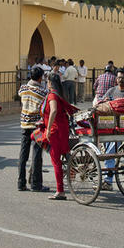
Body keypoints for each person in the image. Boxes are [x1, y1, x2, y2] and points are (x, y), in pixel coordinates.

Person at [43, 73, 78, 201]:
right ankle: (71, 168)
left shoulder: (52, 95)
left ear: (50, 83)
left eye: (47, 82)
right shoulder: (60, 95)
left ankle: (60, 191)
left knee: (56, 161)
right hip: (62, 130)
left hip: (55, 130)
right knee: (63, 153)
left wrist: (48, 129)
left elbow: (53, 111)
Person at [17, 67, 49, 192]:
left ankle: (21, 183)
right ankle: (36, 184)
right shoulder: (42, 92)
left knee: (23, 154)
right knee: (36, 155)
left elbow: (21, 94)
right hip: (36, 126)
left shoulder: (23, 88)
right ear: (40, 77)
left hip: (24, 124)